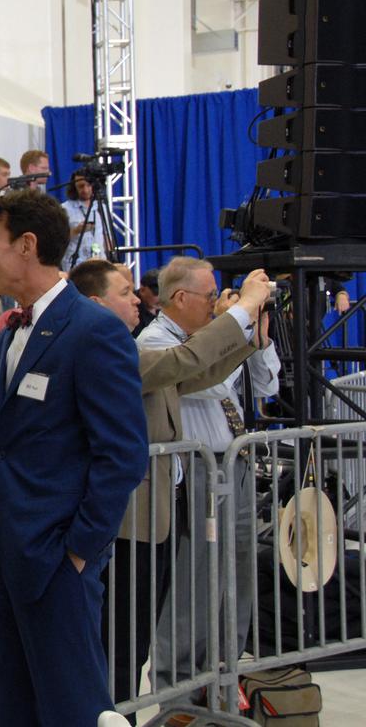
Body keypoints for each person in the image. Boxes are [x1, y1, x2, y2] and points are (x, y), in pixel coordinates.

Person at [0, 188, 147, 727]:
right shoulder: (8, 335)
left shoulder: (93, 332)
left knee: (71, 708)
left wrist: (79, 550)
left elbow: (122, 454)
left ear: (26, 245)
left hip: (57, 560)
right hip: (7, 554)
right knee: (14, 706)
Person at [70, 258, 271, 715]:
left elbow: (198, 375)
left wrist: (249, 338)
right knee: (120, 646)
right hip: (128, 520)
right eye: (125, 292)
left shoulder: (124, 348)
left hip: (158, 513)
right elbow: (186, 361)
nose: (139, 300)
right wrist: (243, 311)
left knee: (133, 641)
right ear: (97, 303)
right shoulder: (110, 351)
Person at [144, 257, 280, 712]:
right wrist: (235, 320)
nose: (215, 303)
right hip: (194, 475)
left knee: (235, 578)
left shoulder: (215, 337)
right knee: (194, 583)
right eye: (210, 295)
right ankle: (177, 693)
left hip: (233, 466)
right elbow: (198, 378)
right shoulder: (156, 341)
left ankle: (223, 677)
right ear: (180, 298)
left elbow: (265, 385)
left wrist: (252, 338)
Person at [63, 170, 105, 265]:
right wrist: (76, 230)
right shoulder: (64, 209)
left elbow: (106, 236)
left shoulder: (101, 207)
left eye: (89, 185)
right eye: (81, 186)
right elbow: (57, 239)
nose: (85, 190)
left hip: (100, 261)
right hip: (76, 264)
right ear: (74, 187)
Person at [135, 267, 161, 337]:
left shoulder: (168, 306)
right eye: (156, 293)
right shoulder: (131, 308)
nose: (161, 298)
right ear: (142, 290)